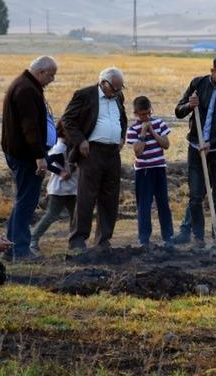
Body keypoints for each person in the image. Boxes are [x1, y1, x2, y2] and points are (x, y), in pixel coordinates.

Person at [172, 55, 216, 248]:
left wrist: (211, 142)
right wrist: (189, 105)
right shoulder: (197, 84)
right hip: (195, 148)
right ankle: (198, 237)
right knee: (195, 196)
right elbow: (178, 111)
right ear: (212, 71)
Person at [62, 67, 128, 250]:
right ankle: (77, 239)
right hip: (91, 152)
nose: (117, 92)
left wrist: (122, 136)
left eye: (120, 89)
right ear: (103, 83)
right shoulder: (84, 95)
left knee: (110, 197)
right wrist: (81, 141)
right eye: (114, 88)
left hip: (113, 153)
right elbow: (67, 121)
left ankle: (103, 240)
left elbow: (123, 119)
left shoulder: (118, 97)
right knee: (86, 196)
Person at [1, 55, 58, 260]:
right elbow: (30, 127)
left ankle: (10, 249)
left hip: (22, 154)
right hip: (26, 157)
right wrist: (39, 156)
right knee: (26, 202)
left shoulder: (26, 85)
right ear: (41, 72)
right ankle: (21, 251)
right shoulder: (26, 90)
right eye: (51, 75)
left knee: (23, 201)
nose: (52, 80)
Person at [126, 95, 174, 248]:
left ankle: (168, 237)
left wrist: (152, 132)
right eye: (142, 114)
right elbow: (138, 152)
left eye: (148, 113)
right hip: (144, 171)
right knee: (144, 206)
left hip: (159, 168)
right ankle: (144, 239)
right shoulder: (133, 129)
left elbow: (166, 145)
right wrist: (142, 133)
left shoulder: (159, 123)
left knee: (163, 204)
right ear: (135, 113)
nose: (146, 116)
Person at [29, 120, 78, 254]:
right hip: (60, 189)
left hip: (72, 188)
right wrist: (60, 172)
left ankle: (75, 241)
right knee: (52, 214)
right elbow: (47, 163)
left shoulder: (70, 146)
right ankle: (33, 239)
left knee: (75, 215)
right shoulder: (59, 148)